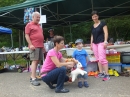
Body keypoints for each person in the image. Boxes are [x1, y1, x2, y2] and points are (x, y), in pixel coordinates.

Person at [25, 12, 45, 86]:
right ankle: (33, 78)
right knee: (34, 61)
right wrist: (30, 44)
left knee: (38, 61)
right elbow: (26, 35)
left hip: (40, 46)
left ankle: (34, 76)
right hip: (34, 46)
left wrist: (43, 46)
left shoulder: (39, 26)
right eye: (37, 17)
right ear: (33, 17)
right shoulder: (29, 25)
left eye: (39, 17)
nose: (38, 19)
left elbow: (41, 37)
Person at [90, 11, 110, 81]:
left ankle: (107, 74)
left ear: (98, 16)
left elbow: (106, 32)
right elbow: (92, 35)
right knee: (98, 59)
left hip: (101, 42)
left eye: (95, 16)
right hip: (94, 43)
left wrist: (105, 41)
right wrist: (91, 43)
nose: (94, 18)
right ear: (92, 18)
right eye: (93, 17)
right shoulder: (92, 26)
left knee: (102, 59)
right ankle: (101, 73)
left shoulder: (102, 23)